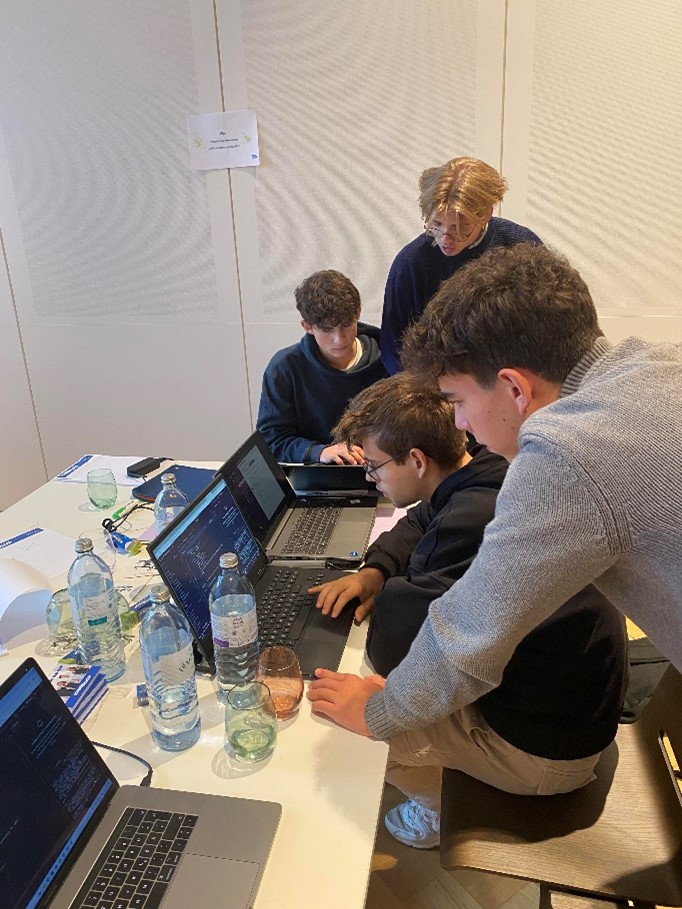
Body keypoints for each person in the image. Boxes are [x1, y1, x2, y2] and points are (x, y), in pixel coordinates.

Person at [307, 243, 682, 776]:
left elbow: (467, 639)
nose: (460, 424)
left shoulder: (565, 455)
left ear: (514, 388)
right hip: (598, 707)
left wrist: (377, 712)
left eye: (458, 402)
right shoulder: (655, 362)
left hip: (554, 745)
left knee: (335, 735)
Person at [310, 371, 628, 848]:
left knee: (340, 721)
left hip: (546, 754)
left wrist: (394, 593)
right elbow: (422, 517)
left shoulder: (468, 520)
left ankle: (442, 812)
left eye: (374, 467)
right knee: (380, 691)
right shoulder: (487, 466)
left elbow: (395, 646)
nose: (370, 478)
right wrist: (377, 570)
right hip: (574, 711)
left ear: (417, 460)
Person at [380, 156, 542, 374]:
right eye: (437, 224)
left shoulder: (522, 248)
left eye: (460, 227)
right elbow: (393, 350)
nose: (445, 238)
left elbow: (546, 329)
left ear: (486, 214)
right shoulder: (411, 264)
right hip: (436, 382)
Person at [256, 269, 387, 463]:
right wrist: (317, 452)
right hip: (316, 471)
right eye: (326, 330)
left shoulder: (389, 357)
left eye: (346, 324)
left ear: (358, 312)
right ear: (307, 327)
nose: (339, 339)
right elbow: (271, 442)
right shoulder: (284, 369)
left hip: (382, 470)